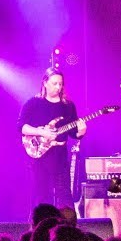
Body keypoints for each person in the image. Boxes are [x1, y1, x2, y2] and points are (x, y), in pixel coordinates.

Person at [18, 68, 86, 210]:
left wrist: (81, 132)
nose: (58, 87)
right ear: (45, 83)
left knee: (65, 195)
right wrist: (42, 132)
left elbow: (73, 133)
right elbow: (21, 127)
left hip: (60, 157)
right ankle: (40, 222)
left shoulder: (68, 106)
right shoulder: (34, 103)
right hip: (39, 156)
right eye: (54, 83)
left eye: (60, 84)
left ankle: (68, 223)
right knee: (41, 196)